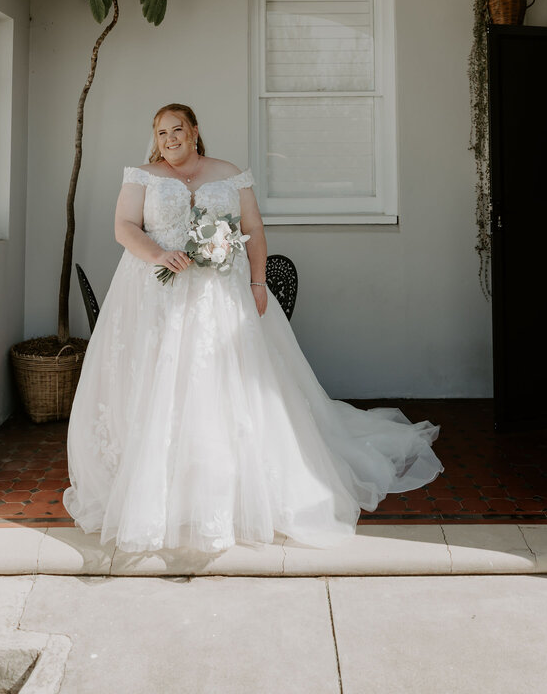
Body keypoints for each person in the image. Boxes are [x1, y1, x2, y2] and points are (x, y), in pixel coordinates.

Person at [63, 103, 443, 553]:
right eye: (162, 133)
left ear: (195, 130)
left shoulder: (230, 173)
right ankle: (160, 486)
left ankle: (226, 487)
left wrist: (258, 281)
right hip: (155, 295)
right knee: (161, 384)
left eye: (177, 129)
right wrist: (158, 255)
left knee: (223, 386)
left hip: (221, 297)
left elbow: (254, 230)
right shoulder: (142, 176)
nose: (170, 139)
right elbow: (123, 227)